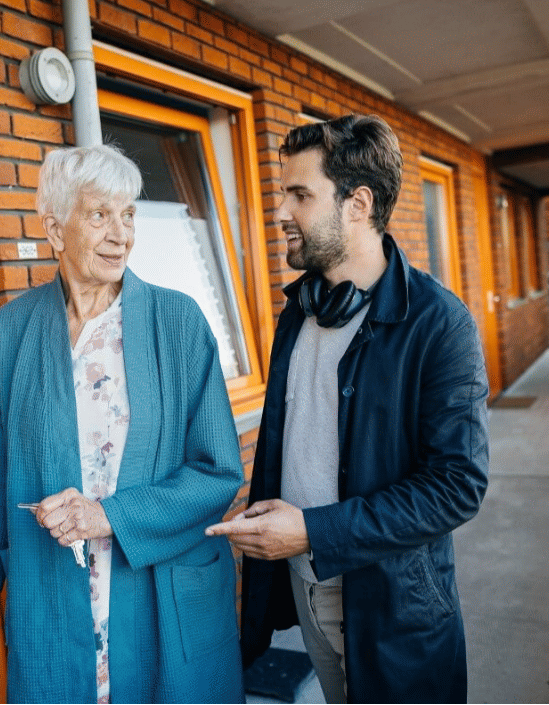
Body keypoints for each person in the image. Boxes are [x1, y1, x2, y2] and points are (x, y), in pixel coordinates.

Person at [0, 144, 245, 704]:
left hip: (159, 598)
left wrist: (107, 515)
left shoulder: (178, 322)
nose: (121, 234)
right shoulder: (11, 332)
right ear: (55, 229)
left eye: (128, 215)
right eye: (100, 214)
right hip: (50, 601)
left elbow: (217, 472)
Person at [206, 115, 490, 704]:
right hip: (304, 583)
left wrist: (312, 530)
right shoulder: (299, 312)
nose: (280, 211)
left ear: (357, 204)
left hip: (392, 604)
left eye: (300, 195)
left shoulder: (441, 325)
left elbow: (457, 486)